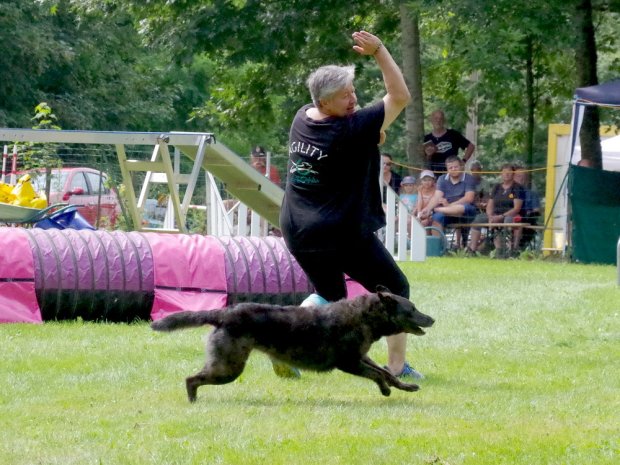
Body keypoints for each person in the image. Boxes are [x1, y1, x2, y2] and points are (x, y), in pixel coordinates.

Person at [279, 30, 424, 380]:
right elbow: (400, 95)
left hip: (296, 226)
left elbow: (360, 138)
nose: (353, 100)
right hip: (339, 231)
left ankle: (284, 346)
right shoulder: (349, 129)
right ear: (325, 103)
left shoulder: (303, 117)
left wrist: (372, 135)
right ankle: (396, 366)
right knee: (395, 289)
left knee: (329, 293)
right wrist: (379, 51)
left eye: (353, 92)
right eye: (345, 96)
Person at [467, 163, 525, 257]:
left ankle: (510, 250)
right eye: (504, 172)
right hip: (495, 215)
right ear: (500, 174)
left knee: (508, 220)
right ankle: (472, 250)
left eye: (509, 172)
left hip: (509, 215)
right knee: (479, 218)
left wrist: (500, 217)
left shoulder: (518, 188)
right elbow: (490, 204)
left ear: (513, 174)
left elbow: (516, 208)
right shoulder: (497, 187)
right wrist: (490, 216)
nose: (506, 174)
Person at [419, 156, 477, 242]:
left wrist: (449, 205)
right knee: (437, 218)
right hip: (446, 212)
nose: (453, 169)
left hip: (465, 213)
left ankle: (439, 210)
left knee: (464, 207)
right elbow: (437, 196)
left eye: (456, 167)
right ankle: (439, 248)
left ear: (461, 166)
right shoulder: (442, 179)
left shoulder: (469, 178)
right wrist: (427, 209)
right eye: (450, 167)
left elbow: (469, 198)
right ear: (447, 169)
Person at [423, 109, 475, 175]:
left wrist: (463, 161)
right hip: (434, 173)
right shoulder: (427, 138)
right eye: (436, 118)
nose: (438, 121)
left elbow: (471, 146)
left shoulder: (453, 134)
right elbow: (425, 161)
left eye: (441, 119)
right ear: (431, 120)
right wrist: (429, 155)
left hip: (452, 172)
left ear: (444, 121)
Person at [513, 167, 541, 249]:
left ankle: (516, 249)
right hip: (510, 217)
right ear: (513, 177)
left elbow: (537, 210)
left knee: (522, 221)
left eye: (523, 176)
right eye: (518, 176)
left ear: (526, 179)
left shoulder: (532, 194)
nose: (520, 178)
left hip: (526, 219)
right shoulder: (510, 193)